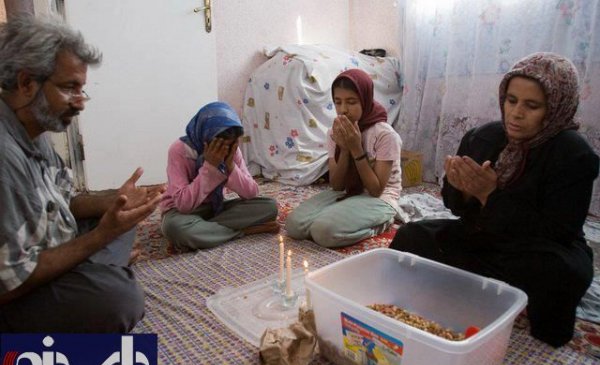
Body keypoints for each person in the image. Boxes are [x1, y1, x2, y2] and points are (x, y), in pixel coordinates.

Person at [389, 52, 599, 347]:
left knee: (562, 275)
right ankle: (454, 294)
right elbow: (456, 207)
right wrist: (462, 190)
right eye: (511, 101)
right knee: (412, 236)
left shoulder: (574, 154)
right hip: (483, 237)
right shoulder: (484, 138)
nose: (516, 113)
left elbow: (558, 230)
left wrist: (490, 195)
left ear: (556, 108)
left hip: (538, 248)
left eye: (532, 106)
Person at [0, 15, 165, 332]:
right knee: (121, 300)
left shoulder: (33, 128)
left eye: (82, 90)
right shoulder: (5, 157)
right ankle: (101, 273)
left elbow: (65, 200)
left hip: (45, 250)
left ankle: (98, 271)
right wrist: (101, 237)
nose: (80, 103)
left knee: (122, 219)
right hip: (12, 294)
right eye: (69, 88)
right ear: (26, 83)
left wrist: (115, 202)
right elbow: (9, 283)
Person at [285, 69, 402, 248]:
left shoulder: (385, 135)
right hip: (348, 192)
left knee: (323, 232)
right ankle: (341, 216)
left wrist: (356, 149)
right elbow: (337, 185)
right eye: (338, 102)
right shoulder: (335, 132)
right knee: (294, 226)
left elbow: (375, 190)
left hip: (380, 198)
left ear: (365, 100)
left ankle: (380, 223)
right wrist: (345, 149)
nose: (343, 110)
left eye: (351, 102)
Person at [160, 101, 279, 249]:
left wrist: (230, 167)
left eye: (229, 145)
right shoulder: (179, 150)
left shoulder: (231, 148)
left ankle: (205, 232)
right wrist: (210, 167)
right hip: (182, 213)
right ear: (205, 139)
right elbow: (184, 205)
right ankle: (243, 231)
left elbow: (251, 193)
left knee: (269, 206)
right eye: (218, 146)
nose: (224, 150)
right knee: (174, 228)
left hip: (216, 209)